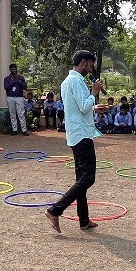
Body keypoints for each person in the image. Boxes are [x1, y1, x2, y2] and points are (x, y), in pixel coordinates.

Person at [45, 50, 105, 234]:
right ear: (84, 62)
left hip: (75, 133)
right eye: (90, 64)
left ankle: (84, 220)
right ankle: (55, 210)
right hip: (82, 134)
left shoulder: (66, 81)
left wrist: (94, 106)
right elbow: (83, 106)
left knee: (81, 179)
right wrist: (94, 93)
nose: (92, 68)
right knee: (88, 178)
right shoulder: (77, 81)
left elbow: (80, 108)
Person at [2, 63, 29, 136]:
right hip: (10, 97)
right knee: (12, 114)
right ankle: (14, 130)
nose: (14, 70)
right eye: (12, 69)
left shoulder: (21, 77)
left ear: (17, 69)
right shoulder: (7, 79)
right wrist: (13, 82)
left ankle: (24, 130)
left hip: (19, 98)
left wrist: (19, 81)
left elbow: (25, 87)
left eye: (15, 68)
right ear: (10, 70)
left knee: (21, 114)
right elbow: (6, 88)